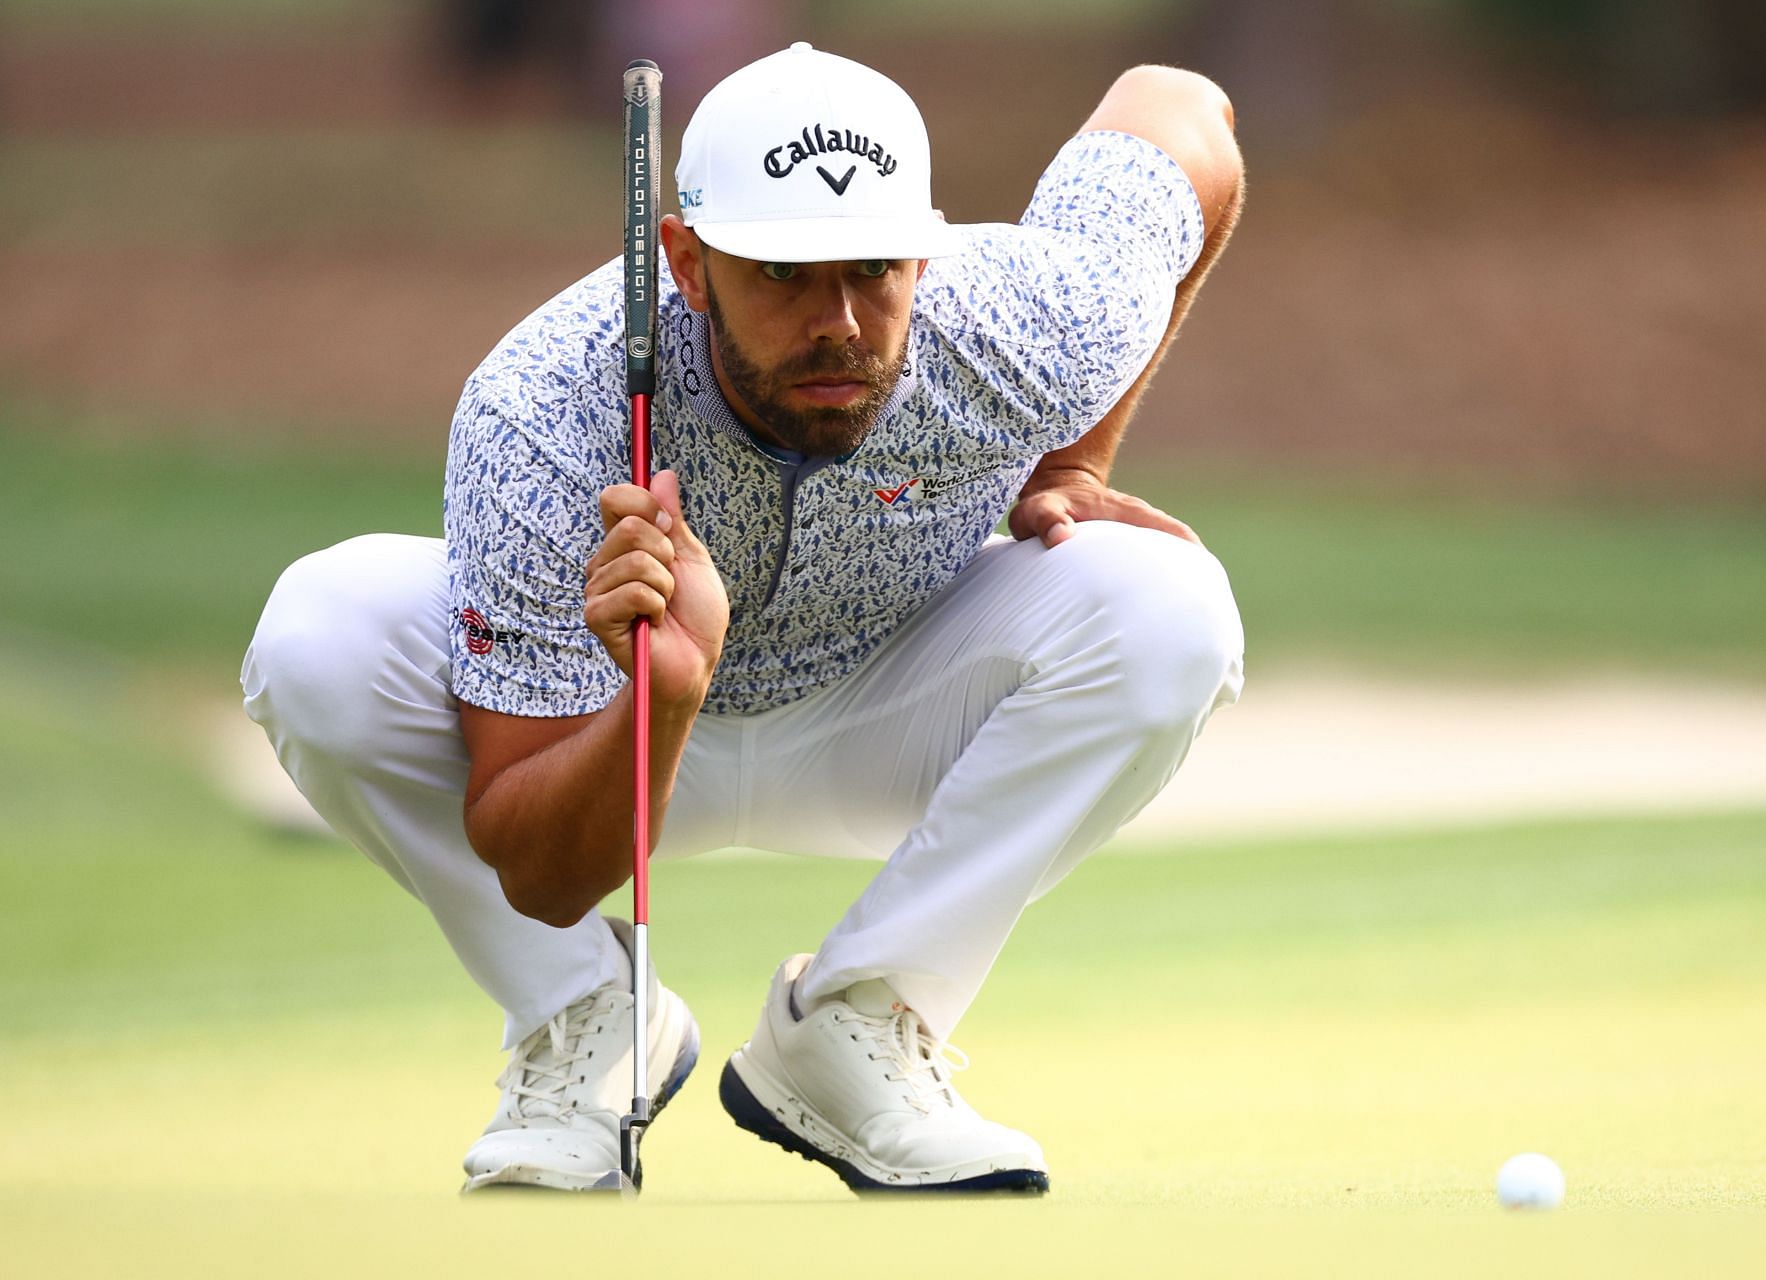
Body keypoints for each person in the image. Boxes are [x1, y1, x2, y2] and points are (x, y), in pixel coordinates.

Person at [244, 41, 1244, 1195]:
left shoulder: (1026, 320)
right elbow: (541, 873)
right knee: (318, 628)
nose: (841, 323)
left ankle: (861, 1023)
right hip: (609, 734)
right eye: (782, 274)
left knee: (1168, 602)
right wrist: (666, 687)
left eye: (875, 268)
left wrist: (1072, 457)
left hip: (895, 710)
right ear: (686, 258)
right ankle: (584, 1019)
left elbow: (1182, 110)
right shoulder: (543, 412)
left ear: (925, 248)